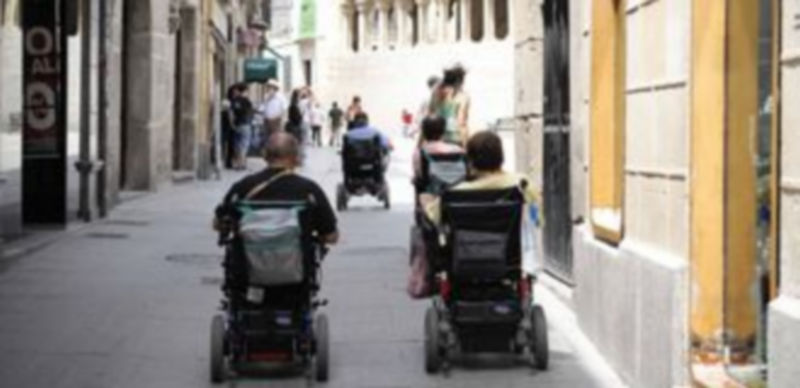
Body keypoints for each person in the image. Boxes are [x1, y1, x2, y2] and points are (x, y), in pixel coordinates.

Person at [216, 132, 339, 245]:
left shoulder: (243, 186)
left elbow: (219, 223)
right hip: (297, 266)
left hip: (247, 264)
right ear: (295, 158)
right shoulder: (309, 190)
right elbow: (331, 235)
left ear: (265, 156)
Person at [420, 131, 539, 225]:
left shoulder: (456, 192)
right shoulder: (522, 184)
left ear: (470, 161)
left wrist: (426, 201)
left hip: (464, 252)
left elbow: (434, 218)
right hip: (510, 252)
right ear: (501, 156)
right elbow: (538, 219)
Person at [429, 64, 471, 146]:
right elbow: (461, 123)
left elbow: (429, 118)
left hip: (436, 139)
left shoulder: (435, 93)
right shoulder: (462, 97)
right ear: (460, 80)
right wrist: (467, 146)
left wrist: (419, 146)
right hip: (455, 140)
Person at [230, 83, 254, 170]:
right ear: (244, 91)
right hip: (245, 124)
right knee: (244, 145)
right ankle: (242, 164)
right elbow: (250, 113)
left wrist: (232, 124)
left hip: (236, 124)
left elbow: (231, 114)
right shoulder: (247, 101)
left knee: (237, 145)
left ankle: (237, 163)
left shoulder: (234, 101)